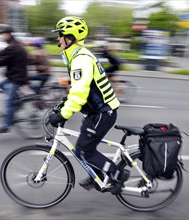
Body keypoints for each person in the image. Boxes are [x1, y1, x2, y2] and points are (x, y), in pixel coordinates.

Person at [49, 16, 130, 194]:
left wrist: (63, 114)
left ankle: (117, 174)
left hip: (102, 112)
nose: (57, 39)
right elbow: (79, 87)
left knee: (83, 151)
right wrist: (64, 103)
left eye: (60, 35)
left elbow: (80, 92)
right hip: (98, 112)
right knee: (85, 147)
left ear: (69, 38)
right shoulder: (78, 55)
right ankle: (101, 176)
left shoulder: (81, 59)